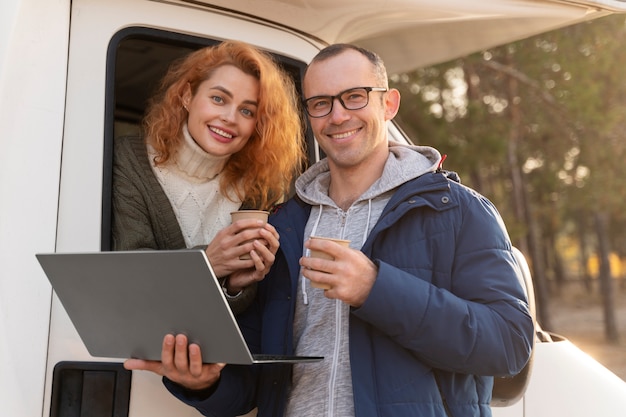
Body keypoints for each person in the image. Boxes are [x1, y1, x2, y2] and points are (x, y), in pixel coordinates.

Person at [125, 43, 535, 417]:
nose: (337, 116)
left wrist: (376, 288)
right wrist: (205, 383)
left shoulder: (458, 210)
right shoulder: (285, 223)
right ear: (309, 115)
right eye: (321, 103)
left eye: (354, 97)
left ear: (388, 104)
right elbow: (252, 385)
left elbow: (509, 345)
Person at [112, 40, 305, 313]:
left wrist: (235, 286)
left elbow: (231, 312)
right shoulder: (129, 161)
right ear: (187, 97)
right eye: (218, 99)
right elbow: (126, 275)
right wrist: (208, 263)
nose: (229, 118)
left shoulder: (257, 189)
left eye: (247, 111)